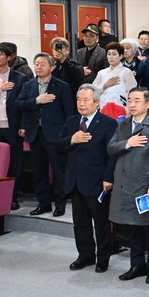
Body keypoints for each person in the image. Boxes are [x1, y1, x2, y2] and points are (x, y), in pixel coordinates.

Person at [108, 87, 149, 284]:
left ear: (148, 104)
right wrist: (128, 142)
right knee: (131, 227)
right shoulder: (124, 124)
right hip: (124, 184)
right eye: (130, 100)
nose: (132, 104)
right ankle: (137, 265)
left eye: (137, 101)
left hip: (145, 186)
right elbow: (111, 147)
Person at [58, 84, 117, 272]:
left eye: (86, 100)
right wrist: (72, 140)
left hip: (98, 182)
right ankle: (85, 255)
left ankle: (103, 259)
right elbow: (57, 145)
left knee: (101, 223)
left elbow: (112, 155)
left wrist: (108, 178)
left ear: (97, 102)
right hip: (75, 181)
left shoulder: (108, 123)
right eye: (78, 99)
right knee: (80, 223)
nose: (81, 104)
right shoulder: (71, 121)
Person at [16, 53, 74, 217]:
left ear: (52, 67)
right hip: (35, 134)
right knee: (39, 172)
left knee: (59, 172)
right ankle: (43, 204)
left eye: (42, 64)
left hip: (55, 135)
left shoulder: (61, 86)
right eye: (37, 64)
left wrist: (67, 135)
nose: (39, 67)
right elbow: (19, 104)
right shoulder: (28, 85)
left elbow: (69, 112)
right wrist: (37, 101)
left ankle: (60, 204)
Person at [0, 45, 26, 209]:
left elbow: (24, 104)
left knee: (14, 162)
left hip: (12, 127)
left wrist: (23, 125)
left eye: (0, 54)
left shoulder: (19, 78)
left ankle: (12, 196)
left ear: (9, 57)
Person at [93, 42, 138, 115]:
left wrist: (129, 111)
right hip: (104, 106)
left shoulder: (126, 72)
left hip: (121, 107)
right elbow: (93, 91)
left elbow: (132, 92)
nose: (111, 57)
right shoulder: (101, 73)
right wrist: (105, 85)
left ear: (121, 56)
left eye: (114, 54)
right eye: (109, 54)